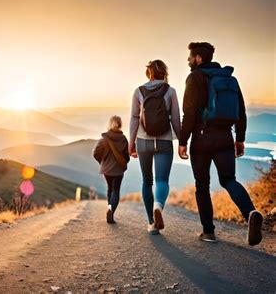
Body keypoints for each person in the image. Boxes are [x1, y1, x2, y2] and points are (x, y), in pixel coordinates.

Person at [178, 42, 263, 245]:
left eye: (190, 57)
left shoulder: (194, 77)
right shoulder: (228, 78)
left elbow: (189, 113)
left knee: (202, 185)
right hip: (225, 136)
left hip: (201, 138)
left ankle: (208, 232)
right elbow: (240, 111)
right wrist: (239, 139)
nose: (189, 61)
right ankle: (250, 212)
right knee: (228, 180)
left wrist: (183, 141)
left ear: (198, 58)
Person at [129, 60, 181, 235]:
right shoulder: (170, 91)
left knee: (147, 181)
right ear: (164, 73)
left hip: (143, 141)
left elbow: (134, 118)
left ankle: (151, 222)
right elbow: (175, 120)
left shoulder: (139, 91)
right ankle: (158, 206)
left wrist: (131, 144)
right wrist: (182, 142)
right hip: (165, 141)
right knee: (161, 180)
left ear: (148, 74)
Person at [93, 115, 130, 224]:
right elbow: (126, 155)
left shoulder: (104, 139)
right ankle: (111, 212)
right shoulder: (123, 139)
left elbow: (95, 153)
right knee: (116, 191)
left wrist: (102, 162)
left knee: (110, 190)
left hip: (107, 170)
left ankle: (110, 210)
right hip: (118, 170)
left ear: (109, 124)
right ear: (120, 124)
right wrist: (124, 162)